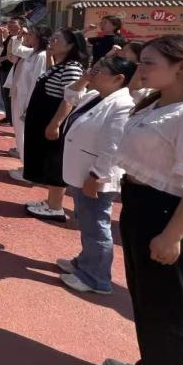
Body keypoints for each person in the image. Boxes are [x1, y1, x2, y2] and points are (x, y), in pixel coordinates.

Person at [99, 35, 183, 365]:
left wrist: (173, 236)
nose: (140, 69)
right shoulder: (157, 103)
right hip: (142, 204)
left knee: (168, 303)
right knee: (147, 295)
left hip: (168, 212)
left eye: (149, 63)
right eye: (140, 61)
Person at [57, 56, 138, 296]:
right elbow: (70, 96)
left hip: (96, 176)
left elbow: (112, 148)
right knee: (86, 220)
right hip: (83, 170)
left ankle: (97, 278)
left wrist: (96, 177)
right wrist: (84, 79)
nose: (93, 73)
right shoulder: (96, 95)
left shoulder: (122, 105)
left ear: (118, 78)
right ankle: (86, 262)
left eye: (99, 71)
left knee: (96, 225)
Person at [23, 28, 88, 223]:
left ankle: (55, 207)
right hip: (43, 118)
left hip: (53, 120)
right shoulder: (60, 65)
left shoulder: (72, 68)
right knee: (48, 160)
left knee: (55, 162)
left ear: (71, 45)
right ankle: (51, 201)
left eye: (57, 39)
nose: (51, 40)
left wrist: (55, 124)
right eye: (52, 38)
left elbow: (69, 99)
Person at [7, 25, 50, 174]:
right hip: (19, 96)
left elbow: (37, 83)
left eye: (31, 34)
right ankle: (27, 165)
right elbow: (16, 50)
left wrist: (30, 106)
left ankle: (30, 170)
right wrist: (19, 36)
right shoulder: (32, 52)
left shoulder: (42, 56)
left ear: (40, 37)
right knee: (20, 133)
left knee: (25, 135)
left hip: (27, 101)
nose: (28, 36)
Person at [0, 17, 27, 125]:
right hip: (3, 67)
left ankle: (12, 119)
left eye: (13, 23)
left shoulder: (21, 38)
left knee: (9, 94)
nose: (10, 25)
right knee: (4, 94)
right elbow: (2, 45)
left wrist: (1, 59)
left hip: (11, 68)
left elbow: (16, 54)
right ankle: (8, 116)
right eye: (9, 23)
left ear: (20, 26)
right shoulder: (11, 36)